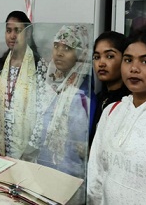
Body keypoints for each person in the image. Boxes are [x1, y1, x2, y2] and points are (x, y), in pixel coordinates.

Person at [87, 25, 146, 204]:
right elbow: (97, 172)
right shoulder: (112, 112)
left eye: (145, 61)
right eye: (128, 60)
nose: (134, 68)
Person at [28, 24, 92, 204]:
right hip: (41, 173)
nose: (59, 52)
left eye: (68, 48)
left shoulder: (83, 92)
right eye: (57, 46)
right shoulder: (49, 83)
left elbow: (81, 145)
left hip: (69, 179)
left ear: (80, 54)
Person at [0, 11, 47, 159]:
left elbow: (43, 110)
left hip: (27, 143)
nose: (12, 35)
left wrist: (31, 148)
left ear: (27, 33)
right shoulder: (0, 64)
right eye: (9, 30)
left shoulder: (38, 65)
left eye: (18, 30)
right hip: (3, 137)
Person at [90, 31, 130, 143]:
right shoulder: (98, 98)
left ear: (125, 59)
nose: (101, 63)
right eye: (96, 57)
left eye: (109, 56)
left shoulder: (128, 101)